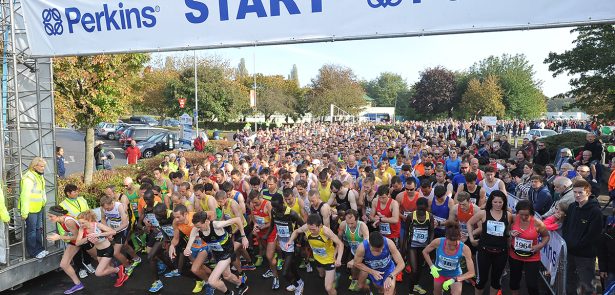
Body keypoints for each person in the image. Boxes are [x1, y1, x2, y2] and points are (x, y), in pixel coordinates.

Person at [186, 211, 249, 295]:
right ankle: (242, 285)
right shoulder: (196, 228)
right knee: (227, 276)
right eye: (196, 227)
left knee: (212, 281)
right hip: (217, 253)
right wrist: (187, 248)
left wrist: (243, 237)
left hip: (227, 252)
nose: (198, 229)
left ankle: (229, 293)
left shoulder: (216, 225)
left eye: (199, 226)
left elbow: (237, 219)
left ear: (206, 221)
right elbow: (191, 239)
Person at [467, 190, 512, 295]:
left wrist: (510, 243)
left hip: (501, 252)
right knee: (481, 280)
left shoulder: (508, 215)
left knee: (496, 281)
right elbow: (470, 223)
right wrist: (471, 239)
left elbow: (507, 231)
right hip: (484, 251)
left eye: (500, 202)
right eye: (495, 202)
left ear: (504, 202)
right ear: (490, 202)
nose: (498, 204)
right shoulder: (483, 213)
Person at [562, 179, 603, 295]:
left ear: (588, 193)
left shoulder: (595, 211)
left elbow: (593, 235)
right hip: (570, 252)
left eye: (580, 192)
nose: (577, 195)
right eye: (575, 192)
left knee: (586, 285)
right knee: (570, 282)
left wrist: (576, 245)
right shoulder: (572, 207)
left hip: (585, 255)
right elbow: (566, 226)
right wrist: (568, 242)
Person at [287, 214, 344, 295]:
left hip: (329, 260)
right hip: (317, 258)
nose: (311, 231)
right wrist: (290, 241)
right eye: (310, 229)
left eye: (313, 229)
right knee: (321, 275)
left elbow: (340, 244)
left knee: (328, 288)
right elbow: (296, 231)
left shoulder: (326, 231)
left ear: (320, 226)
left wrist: (339, 259)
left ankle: (333, 278)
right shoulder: (306, 227)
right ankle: (334, 276)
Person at [75, 210, 128, 288]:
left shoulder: (97, 225)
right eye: (79, 223)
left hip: (107, 249)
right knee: (106, 268)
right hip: (99, 251)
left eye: (83, 223)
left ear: (89, 220)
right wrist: (88, 238)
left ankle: (119, 270)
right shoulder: (82, 229)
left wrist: (99, 234)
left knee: (98, 273)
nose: (81, 225)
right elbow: (77, 243)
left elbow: (113, 232)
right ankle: (117, 270)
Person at [508, 200, 550, 295]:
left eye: (526, 215)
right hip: (515, 255)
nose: (523, 217)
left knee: (532, 285)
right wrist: (510, 233)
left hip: (532, 257)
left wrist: (540, 245)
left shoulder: (537, 223)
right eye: (521, 214)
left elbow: (546, 236)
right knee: (514, 282)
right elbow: (506, 230)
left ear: (531, 213)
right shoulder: (513, 218)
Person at [422, 224, 476, 295]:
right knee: (437, 293)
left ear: (459, 239)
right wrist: (432, 266)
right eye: (449, 245)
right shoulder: (438, 242)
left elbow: (471, 273)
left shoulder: (464, 249)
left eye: (455, 245)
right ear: (446, 238)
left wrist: (454, 279)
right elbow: (425, 252)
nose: (452, 247)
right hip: (439, 274)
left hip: (455, 275)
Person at [267, 193, 305, 293]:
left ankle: (297, 286)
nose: (274, 208)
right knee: (291, 266)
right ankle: (299, 281)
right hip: (282, 243)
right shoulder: (273, 211)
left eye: (276, 206)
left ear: (282, 202)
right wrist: (266, 235)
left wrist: (299, 244)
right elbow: (272, 225)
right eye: (273, 206)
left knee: (284, 272)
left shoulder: (291, 213)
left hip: (291, 244)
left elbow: (303, 227)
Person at [46, 206, 85, 294]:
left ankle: (117, 269)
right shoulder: (61, 219)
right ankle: (78, 284)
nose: (49, 219)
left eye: (51, 216)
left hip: (85, 240)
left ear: (58, 215)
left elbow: (77, 235)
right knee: (64, 264)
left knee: (100, 260)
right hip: (75, 242)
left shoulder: (69, 221)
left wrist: (59, 237)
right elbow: (71, 233)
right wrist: (65, 235)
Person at [59, 184, 93, 278]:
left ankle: (88, 263)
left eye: (77, 191)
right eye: (74, 192)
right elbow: (61, 222)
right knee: (76, 251)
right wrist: (64, 235)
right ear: (68, 193)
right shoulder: (62, 205)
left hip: (84, 228)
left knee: (87, 247)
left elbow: (88, 212)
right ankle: (81, 269)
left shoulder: (82, 199)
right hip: (73, 231)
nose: (77, 193)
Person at [403, 197, 433, 295]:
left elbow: (431, 231)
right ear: (416, 207)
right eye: (419, 209)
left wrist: (430, 245)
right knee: (414, 270)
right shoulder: (411, 216)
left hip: (424, 247)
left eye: (423, 209)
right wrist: (404, 246)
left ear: (427, 208)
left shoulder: (430, 216)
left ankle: (415, 285)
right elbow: (406, 231)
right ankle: (410, 291)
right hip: (412, 245)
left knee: (420, 268)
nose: (421, 211)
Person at [20, 157, 48, 259]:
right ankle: (34, 251)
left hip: (38, 207)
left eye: (44, 166)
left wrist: (43, 202)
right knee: (32, 231)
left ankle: (39, 249)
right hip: (31, 209)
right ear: (34, 166)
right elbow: (25, 196)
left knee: (37, 229)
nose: (43, 168)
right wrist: (24, 212)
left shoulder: (38, 176)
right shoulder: (29, 177)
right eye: (41, 166)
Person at [338, 209, 370, 292]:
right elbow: (339, 240)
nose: (349, 225)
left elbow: (366, 244)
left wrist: (355, 259)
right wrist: (338, 255)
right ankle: (354, 280)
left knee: (362, 284)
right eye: (348, 223)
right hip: (353, 251)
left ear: (357, 219)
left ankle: (366, 285)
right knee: (353, 269)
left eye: (352, 223)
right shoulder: (343, 225)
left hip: (364, 253)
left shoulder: (362, 226)